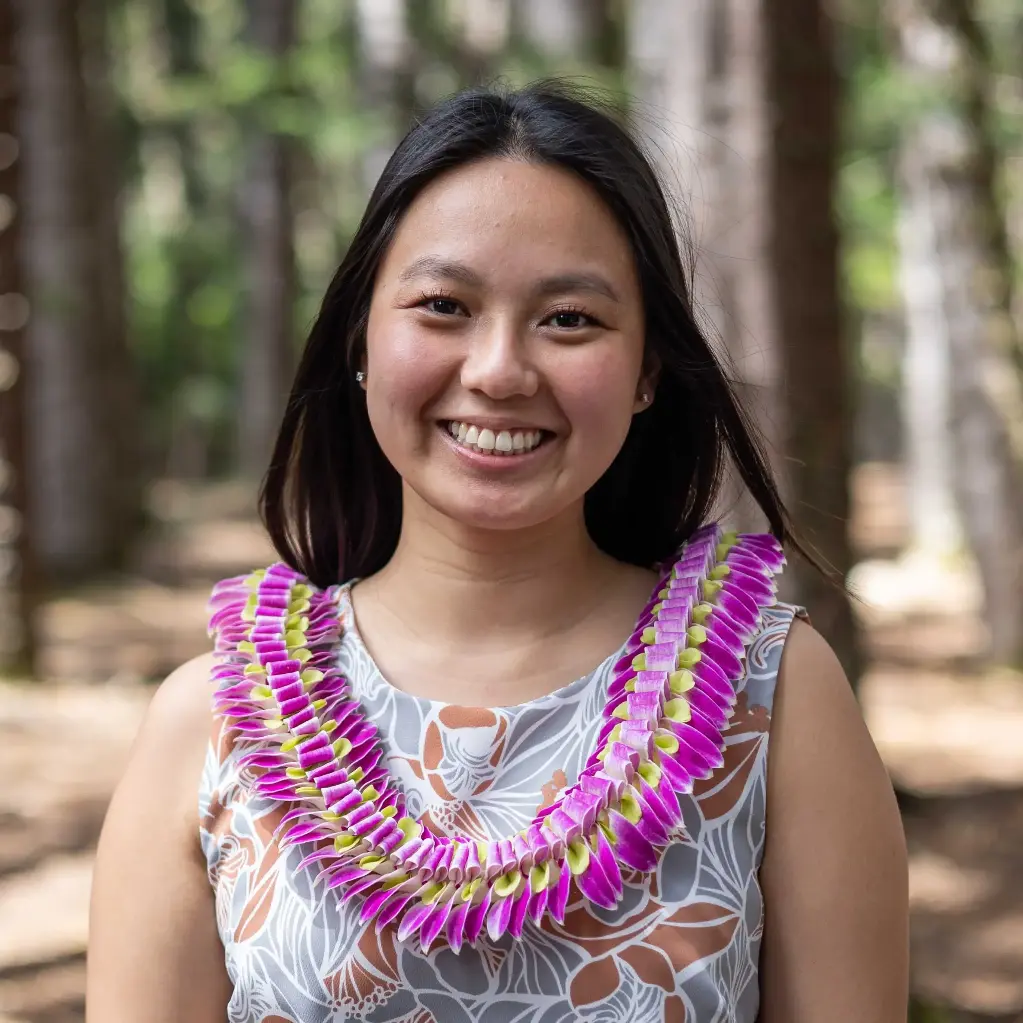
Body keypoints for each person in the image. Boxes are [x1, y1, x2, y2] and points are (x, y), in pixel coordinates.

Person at [86, 83, 908, 1022]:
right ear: (361, 336)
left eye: (568, 319)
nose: (498, 371)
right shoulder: (215, 722)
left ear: (646, 371)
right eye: (443, 304)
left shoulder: (773, 696)